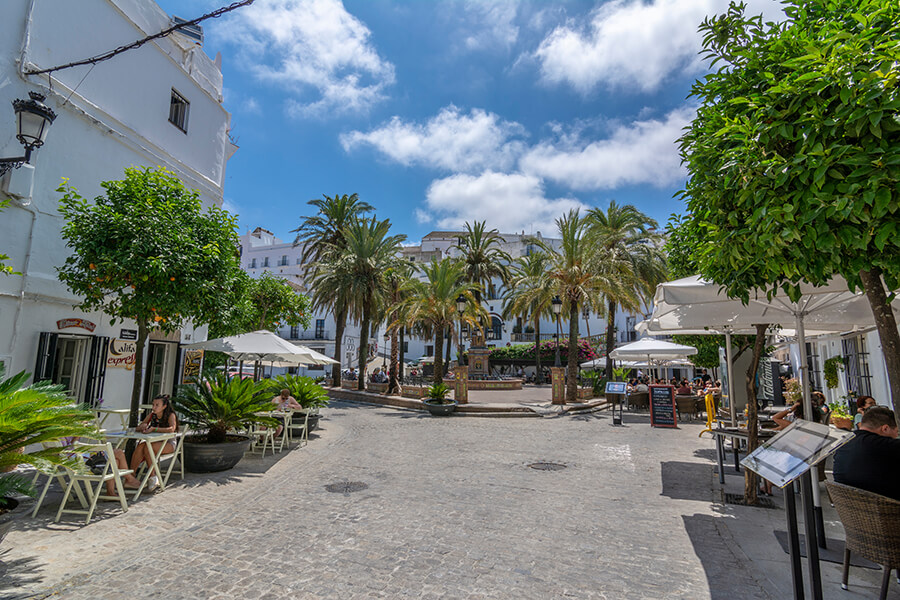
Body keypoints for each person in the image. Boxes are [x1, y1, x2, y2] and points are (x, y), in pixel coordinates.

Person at [105, 395, 177, 496]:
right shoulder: (152, 415)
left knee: (147, 446)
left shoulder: (170, 415)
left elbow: (172, 429)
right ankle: (131, 478)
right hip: (152, 442)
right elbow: (141, 426)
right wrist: (142, 427)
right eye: (153, 405)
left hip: (168, 444)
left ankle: (152, 476)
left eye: (157, 405)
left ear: (164, 406)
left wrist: (154, 429)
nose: (154, 407)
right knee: (140, 446)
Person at [833, 406, 900, 501]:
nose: (896, 435)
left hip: (850, 505)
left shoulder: (844, 442)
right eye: (896, 431)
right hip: (886, 506)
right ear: (885, 428)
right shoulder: (884, 444)